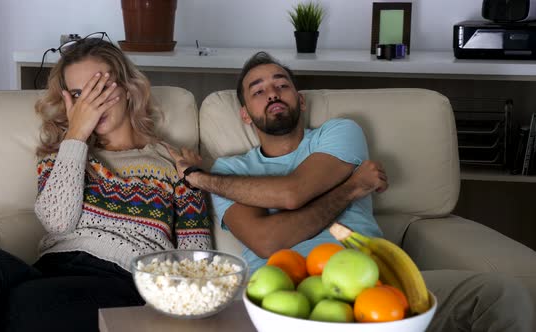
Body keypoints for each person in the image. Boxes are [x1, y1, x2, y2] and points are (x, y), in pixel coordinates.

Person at [168, 51, 534, 331]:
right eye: (258, 90)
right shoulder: (232, 171)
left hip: (380, 281)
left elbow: (293, 192)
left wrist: (202, 179)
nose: (273, 93)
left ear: (301, 100)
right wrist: (351, 188)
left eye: (282, 84)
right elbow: (266, 241)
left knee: (504, 295)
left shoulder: (339, 133)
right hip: (289, 296)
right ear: (245, 114)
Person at [0, 38, 211, 332]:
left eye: (100, 88)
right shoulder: (63, 153)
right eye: (79, 95)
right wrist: (76, 135)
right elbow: (57, 222)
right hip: (50, 272)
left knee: (20, 305)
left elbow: (196, 260)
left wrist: (194, 182)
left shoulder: (172, 162)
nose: (91, 104)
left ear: (127, 87)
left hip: (123, 283)